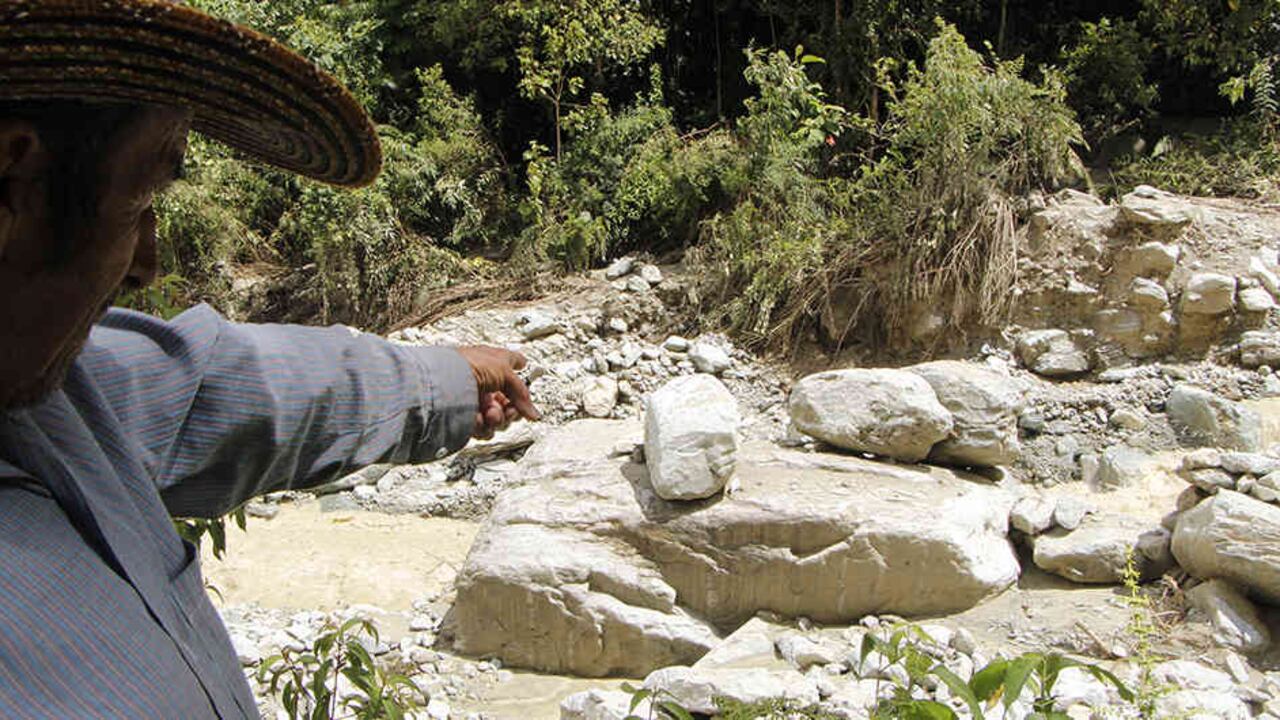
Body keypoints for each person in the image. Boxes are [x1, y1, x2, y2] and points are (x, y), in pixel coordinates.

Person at [0, 0, 539, 716]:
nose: (149, 264)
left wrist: (444, 381)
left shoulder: (52, 396)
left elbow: (225, 386)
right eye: (140, 199)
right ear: (12, 179)